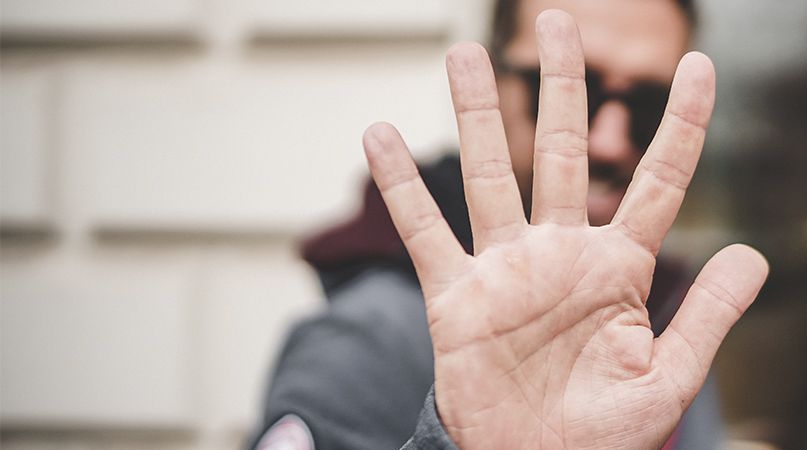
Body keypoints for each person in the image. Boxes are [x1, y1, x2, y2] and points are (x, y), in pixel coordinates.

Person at [251, 2, 768, 449]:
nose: (610, 142)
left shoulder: (665, 317)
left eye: (648, 105)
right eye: (573, 89)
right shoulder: (368, 341)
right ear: (496, 77)